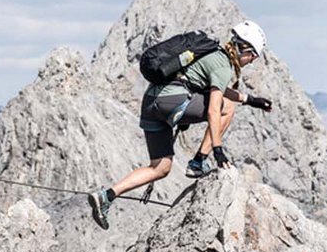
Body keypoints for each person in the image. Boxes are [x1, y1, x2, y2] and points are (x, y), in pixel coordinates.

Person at [88, 21, 274, 228]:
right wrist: (218, 150)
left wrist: (250, 100)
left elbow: (217, 87)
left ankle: (107, 196)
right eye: (253, 56)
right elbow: (214, 109)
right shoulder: (223, 65)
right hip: (172, 101)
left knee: (160, 167)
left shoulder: (209, 54)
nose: (252, 61)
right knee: (227, 107)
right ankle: (198, 161)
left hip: (151, 103)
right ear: (245, 50)